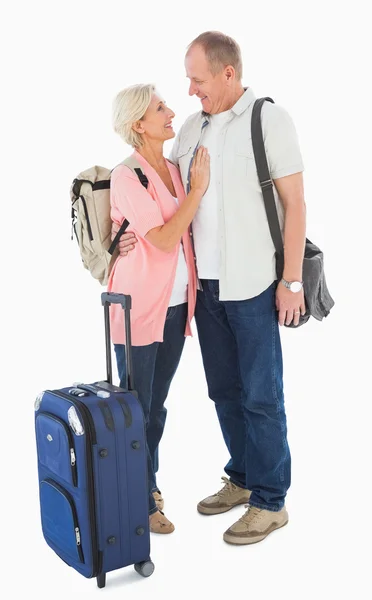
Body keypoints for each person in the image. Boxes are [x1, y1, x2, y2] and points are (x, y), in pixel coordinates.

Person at [114, 32, 306, 545]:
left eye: (197, 80)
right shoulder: (191, 131)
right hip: (205, 291)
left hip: (255, 285)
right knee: (224, 390)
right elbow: (158, 192)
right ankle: (243, 478)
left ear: (227, 73)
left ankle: (270, 501)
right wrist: (119, 238)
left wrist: (291, 280)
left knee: (263, 396)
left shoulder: (269, 121)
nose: (190, 91)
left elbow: (296, 207)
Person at [108, 83, 210, 534]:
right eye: (160, 108)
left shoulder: (172, 168)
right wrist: (198, 192)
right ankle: (142, 500)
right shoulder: (126, 176)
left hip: (175, 308)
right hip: (136, 310)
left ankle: (144, 486)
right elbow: (166, 239)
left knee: (156, 406)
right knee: (136, 409)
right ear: (138, 125)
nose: (171, 112)